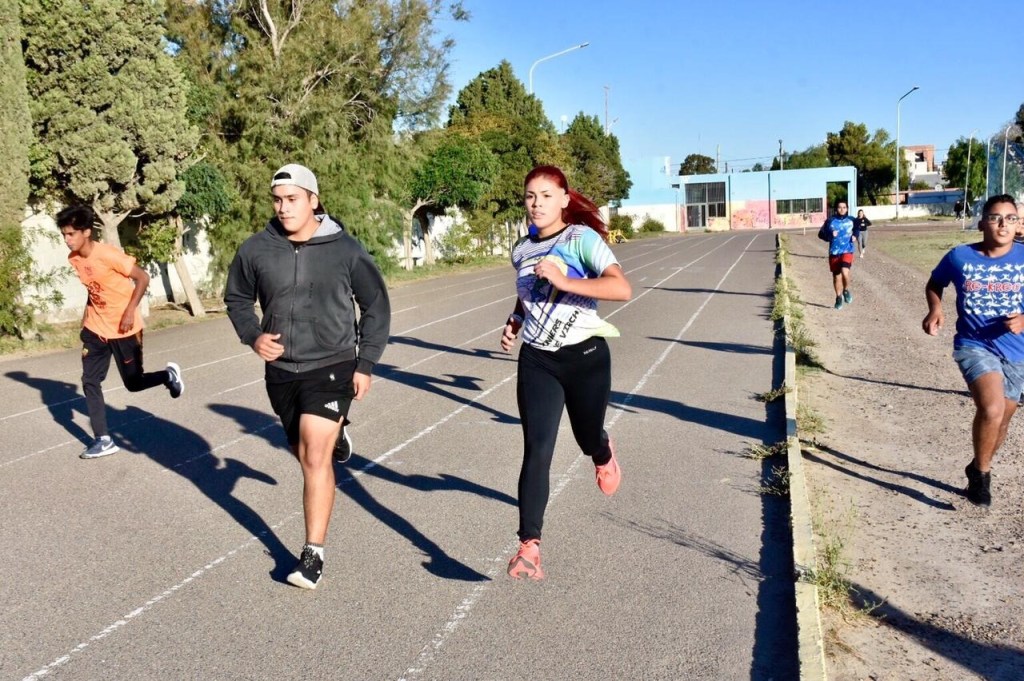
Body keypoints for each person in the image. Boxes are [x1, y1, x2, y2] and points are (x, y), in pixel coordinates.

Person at [225, 164, 391, 589]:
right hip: (281, 371)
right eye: (277, 200)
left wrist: (366, 362)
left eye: (292, 199)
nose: (283, 208)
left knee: (315, 457)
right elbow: (238, 298)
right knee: (303, 451)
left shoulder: (345, 249)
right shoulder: (256, 249)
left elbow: (375, 306)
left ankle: (312, 554)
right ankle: (336, 433)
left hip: (332, 365)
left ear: (313, 200)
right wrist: (253, 336)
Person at [500, 165, 632, 580]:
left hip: (586, 357)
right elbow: (530, 296)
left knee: (586, 436)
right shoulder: (521, 250)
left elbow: (620, 288)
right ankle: (529, 547)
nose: (536, 203)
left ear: (563, 199)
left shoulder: (581, 239)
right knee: (538, 448)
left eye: (544, 195)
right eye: (529, 196)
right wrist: (516, 320)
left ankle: (602, 452)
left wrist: (566, 281)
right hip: (538, 359)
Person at [58, 205, 184, 460]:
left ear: (86, 232)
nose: (66, 239)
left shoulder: (107, 255)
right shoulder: (74, 259)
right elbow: (94, 289)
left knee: (133, 383)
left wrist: (129, 311)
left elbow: (143, 278)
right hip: (95, 329)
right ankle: (103, 439)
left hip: (124, 329)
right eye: (64, 234)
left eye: (71, 234)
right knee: (90, 381)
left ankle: (167, 376)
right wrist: (86, 315)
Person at [922, 194, 1024, 506]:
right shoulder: (960, 257)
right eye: (995, 217)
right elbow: (934, 283)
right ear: (981, 223)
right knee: (991, 409)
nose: (1002, 223)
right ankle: (981, 475)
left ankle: (978, 463)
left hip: (1017, 352)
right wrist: (935, 309)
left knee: (1002, 419)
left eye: (1009, 217)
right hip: (974, 344)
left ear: (1018, 223)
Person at [818, 200, 857, 310]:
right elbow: (821, 234)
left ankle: (846, 290)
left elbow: (858, 229)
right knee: (837, 277)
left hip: (847, 250)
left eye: (844, 207)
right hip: (834, 252)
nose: (842, 209)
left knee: (845, 272)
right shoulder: (830, 221)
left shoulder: (852, 220)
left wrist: (855, 235)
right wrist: (830, 235)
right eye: (840, 207)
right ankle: (838, 297)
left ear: (847, 208)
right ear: (836, 209)